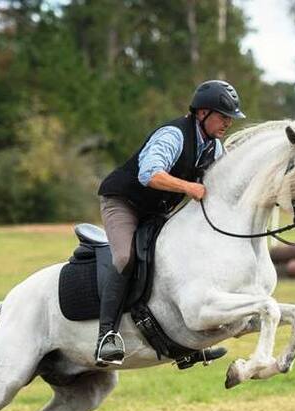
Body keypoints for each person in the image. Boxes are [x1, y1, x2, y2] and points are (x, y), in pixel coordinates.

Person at [95, 79, 246, 366]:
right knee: (126, 257)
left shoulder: (214, 148)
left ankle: (184, 345)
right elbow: (149, 175)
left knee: (182, 258)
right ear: (202, 113)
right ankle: (107, 337)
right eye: (223, 116)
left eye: (230, 117)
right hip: (124, 203)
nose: (228, 123)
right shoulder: (173, 135)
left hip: (155, 211)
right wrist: (190, 188)